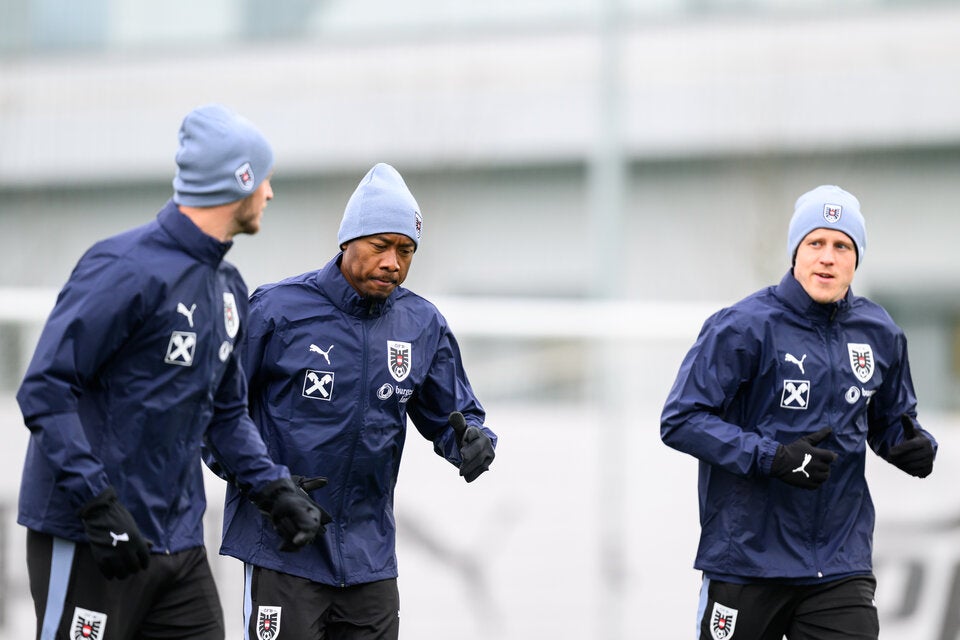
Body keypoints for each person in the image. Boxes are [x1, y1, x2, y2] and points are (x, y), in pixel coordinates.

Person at [16, 103, 323, 640]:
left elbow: (225, 415)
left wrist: (274, 489)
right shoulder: (124, 267)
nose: (270, 194)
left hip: (179, 542)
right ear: (240, 181)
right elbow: (45, 389)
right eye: (264, 179)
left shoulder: (228, 287)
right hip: (95, 535)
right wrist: (97, 503)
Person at [215, 162, 497, 640]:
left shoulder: (421, 324)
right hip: (284, 548)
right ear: (348, 240)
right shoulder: (276, 310)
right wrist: (267, 486)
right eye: (381, 245)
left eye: (406, 250)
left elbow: (454, 416)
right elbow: (215, 414)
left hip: (370, 561)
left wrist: (473, 442)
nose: (393, 262)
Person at [660, 185, 937, 640]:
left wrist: (914, 447)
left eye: (842, 246)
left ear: (856, 258)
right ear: (796, 252)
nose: (827, 257)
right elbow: (681, 420)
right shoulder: (743, 325)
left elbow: (892, 421)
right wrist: (773, 457)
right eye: (816, 243)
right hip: (747, 560)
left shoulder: (880, 332)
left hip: (838, 565)